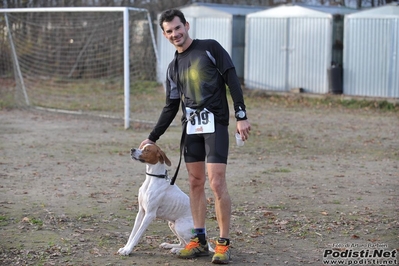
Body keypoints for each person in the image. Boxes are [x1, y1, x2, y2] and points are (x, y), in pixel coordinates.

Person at [139, 9, 251, 264]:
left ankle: (223, 243)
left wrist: (241, 115)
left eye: (178, 28)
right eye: (169, 31)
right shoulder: (172, 67)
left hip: (215, 124)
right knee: (195, 184)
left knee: (217, 182)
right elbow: (171, 106)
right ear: (165, 34)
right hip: (191, 129)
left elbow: (231, 79)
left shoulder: (209, 48)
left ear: (186, 26)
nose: (175, 34)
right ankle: (199, 240)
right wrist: (152, 137)